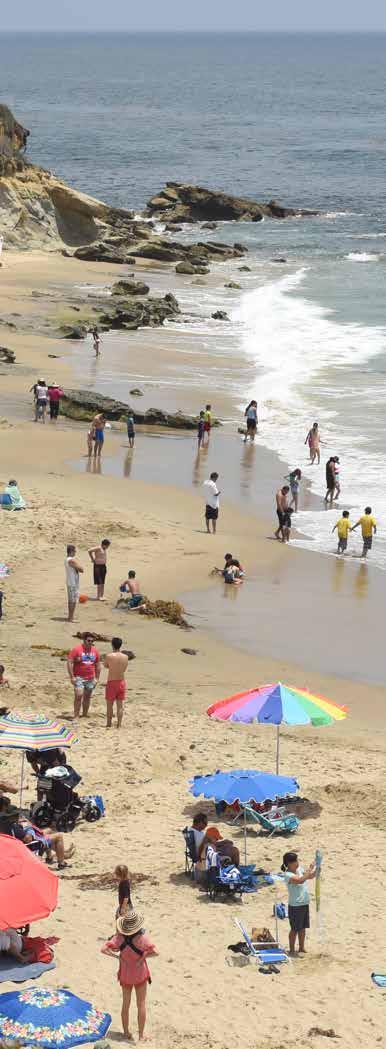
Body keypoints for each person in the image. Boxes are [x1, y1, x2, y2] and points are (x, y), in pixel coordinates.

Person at [101, 910, 158, 1042]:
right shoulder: (143, 938)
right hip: (140, 974)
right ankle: (141, 1035)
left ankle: (126, 1032)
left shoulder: (119, 938)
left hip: (125, 974)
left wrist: (117, 957)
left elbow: (103, 949)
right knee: (141, 1004)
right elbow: (155, 952)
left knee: (125, 1004)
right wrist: (142, 958)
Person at [281, 850, 316, 955]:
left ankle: (301, 947)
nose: (297, 862)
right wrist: (310, 868)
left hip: (304, 903)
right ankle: (292, 949)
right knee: (295, 929)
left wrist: (316, 869)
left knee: (303, 928)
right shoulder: (287, 875)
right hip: (295, 905)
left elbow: (309, 877)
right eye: (296, 861)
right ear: (289, 863)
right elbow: (300, 880)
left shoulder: (299, 870)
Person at [67, 633, 101, 718]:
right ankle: (76, 716)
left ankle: (85, 714)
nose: (90, 642)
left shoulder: (95, 651)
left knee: (87, 696)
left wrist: (97, 678)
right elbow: (69, 662)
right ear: (84, 640)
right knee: (79, 695)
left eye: (92, 641)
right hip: (79, 677)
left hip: (90, 677)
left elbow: (98, 665)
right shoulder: (77, 649)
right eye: (89, 640)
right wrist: (72, 677)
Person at [104, 638, 129, 729]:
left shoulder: (109, 656)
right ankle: (119, 724)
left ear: (112, 645)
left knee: (109, 705)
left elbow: (106, 665)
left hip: (111, 681)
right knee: (120, 705)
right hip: (121, 682)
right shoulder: (125, 657)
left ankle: (109, 723)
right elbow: (124, 669)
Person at [65, 544, 83, 623]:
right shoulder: (71, 560)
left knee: (71, 600)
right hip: (72, 583)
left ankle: (70, 616)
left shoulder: (68, 559)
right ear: (71, 551)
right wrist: (77, 564)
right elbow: (81, 569)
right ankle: (71, 618)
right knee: (73, 601)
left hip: (71, 582)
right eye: (74, 551)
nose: (75, 552)